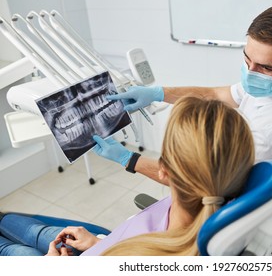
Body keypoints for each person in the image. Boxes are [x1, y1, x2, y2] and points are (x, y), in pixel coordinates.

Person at [96, 4, 272, 200]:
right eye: (246, 59)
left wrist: (128, 158)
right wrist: (158, 93)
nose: (250, 73)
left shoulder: (269, 136)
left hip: (258, 196)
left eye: (265, 67)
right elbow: (218, 94)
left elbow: (197, 185)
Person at [0, 96, 255, 256]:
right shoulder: (223, 197)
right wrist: (99, 242)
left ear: (164, 170)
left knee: (15, 250)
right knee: (29, 229)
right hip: (106, 245)